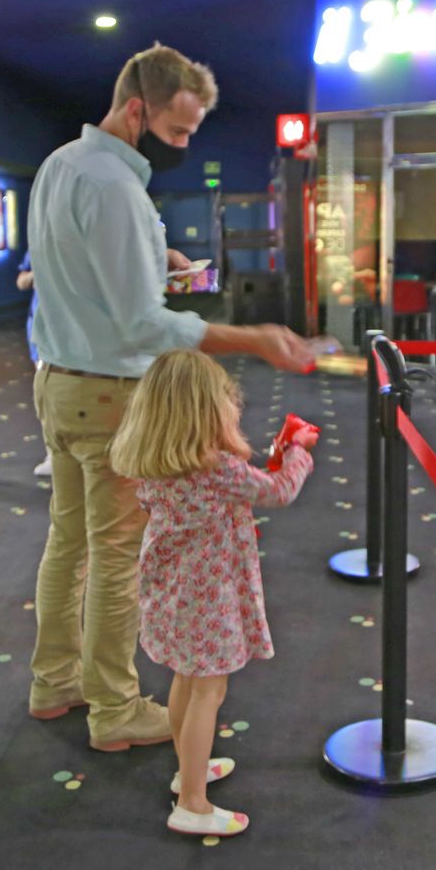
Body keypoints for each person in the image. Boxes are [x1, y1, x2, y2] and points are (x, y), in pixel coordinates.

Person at [25, 42, 316, 752]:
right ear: (137, 109)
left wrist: (161, 263)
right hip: (108, 395)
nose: (186, 144)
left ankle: (54, 679)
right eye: (179, 131)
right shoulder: (117, 186)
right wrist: (252, 339)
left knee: (70, 543)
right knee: (118, 554)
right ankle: (115, 709)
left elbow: (81, 275)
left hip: (57, 384)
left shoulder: (62, 164)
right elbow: (142, 324)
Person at [109, 350, 315, 836]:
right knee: (209, 690)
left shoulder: (157, 462)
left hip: (170, 591)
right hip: (207, 598)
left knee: (186, 680)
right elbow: (279, 490)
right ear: (206, 412)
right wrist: (299, 450)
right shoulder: (215, 467)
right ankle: (194, 804)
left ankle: (189, 772)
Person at [16, 251, 53, 479]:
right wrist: (35, 277)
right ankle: (52, 453)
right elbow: (21, 281)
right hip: (39, 326)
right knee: (45, 394)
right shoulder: (37, 244)